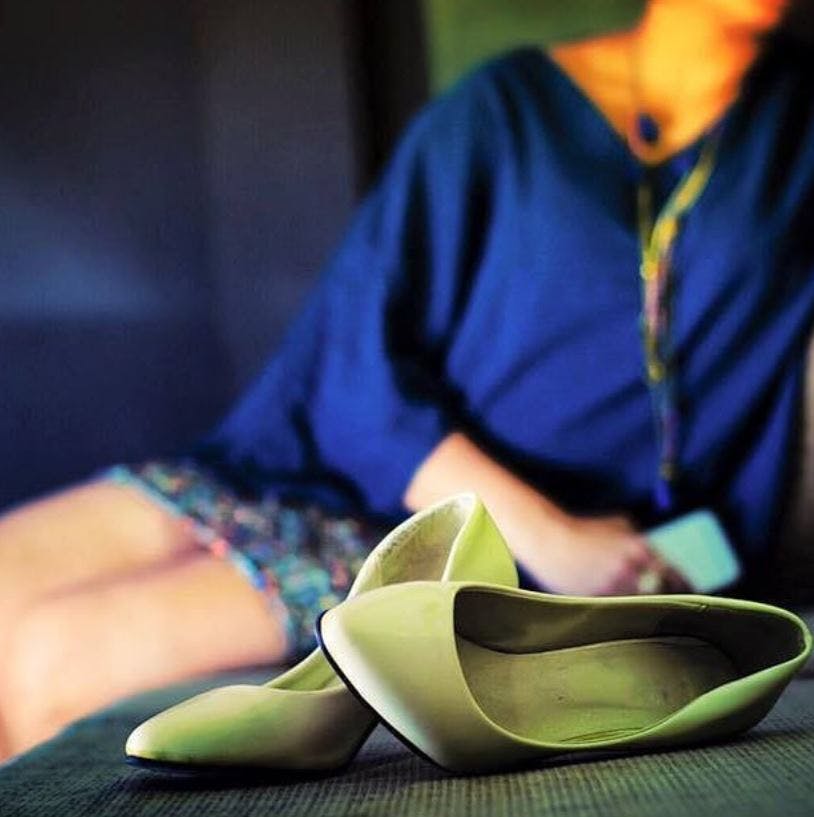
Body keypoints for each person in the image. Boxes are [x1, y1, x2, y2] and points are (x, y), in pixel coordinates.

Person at [0, 0, 809, 761]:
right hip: (324, 467)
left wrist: (561, 546)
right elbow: (353, 357)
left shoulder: (795, 135)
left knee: (57, 661)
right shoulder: (506, 109)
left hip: (469, 558)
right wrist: (547, 532)